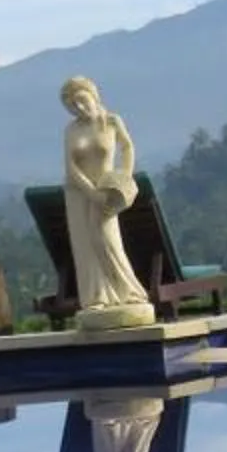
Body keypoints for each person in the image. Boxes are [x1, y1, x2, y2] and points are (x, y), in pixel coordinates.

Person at [59, 76, 150, 324]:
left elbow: (127, 148)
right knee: (86, 244)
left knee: (106, 239)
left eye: (80, 100)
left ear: (93, 95)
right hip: (79, 192)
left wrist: (124, 178)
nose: (78, 108)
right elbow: (71, 167)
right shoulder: (72, 130)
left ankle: (130, 291)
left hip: (107, 189)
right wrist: (91, 194)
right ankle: (96, 297)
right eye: (71, 106)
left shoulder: (111, 121)